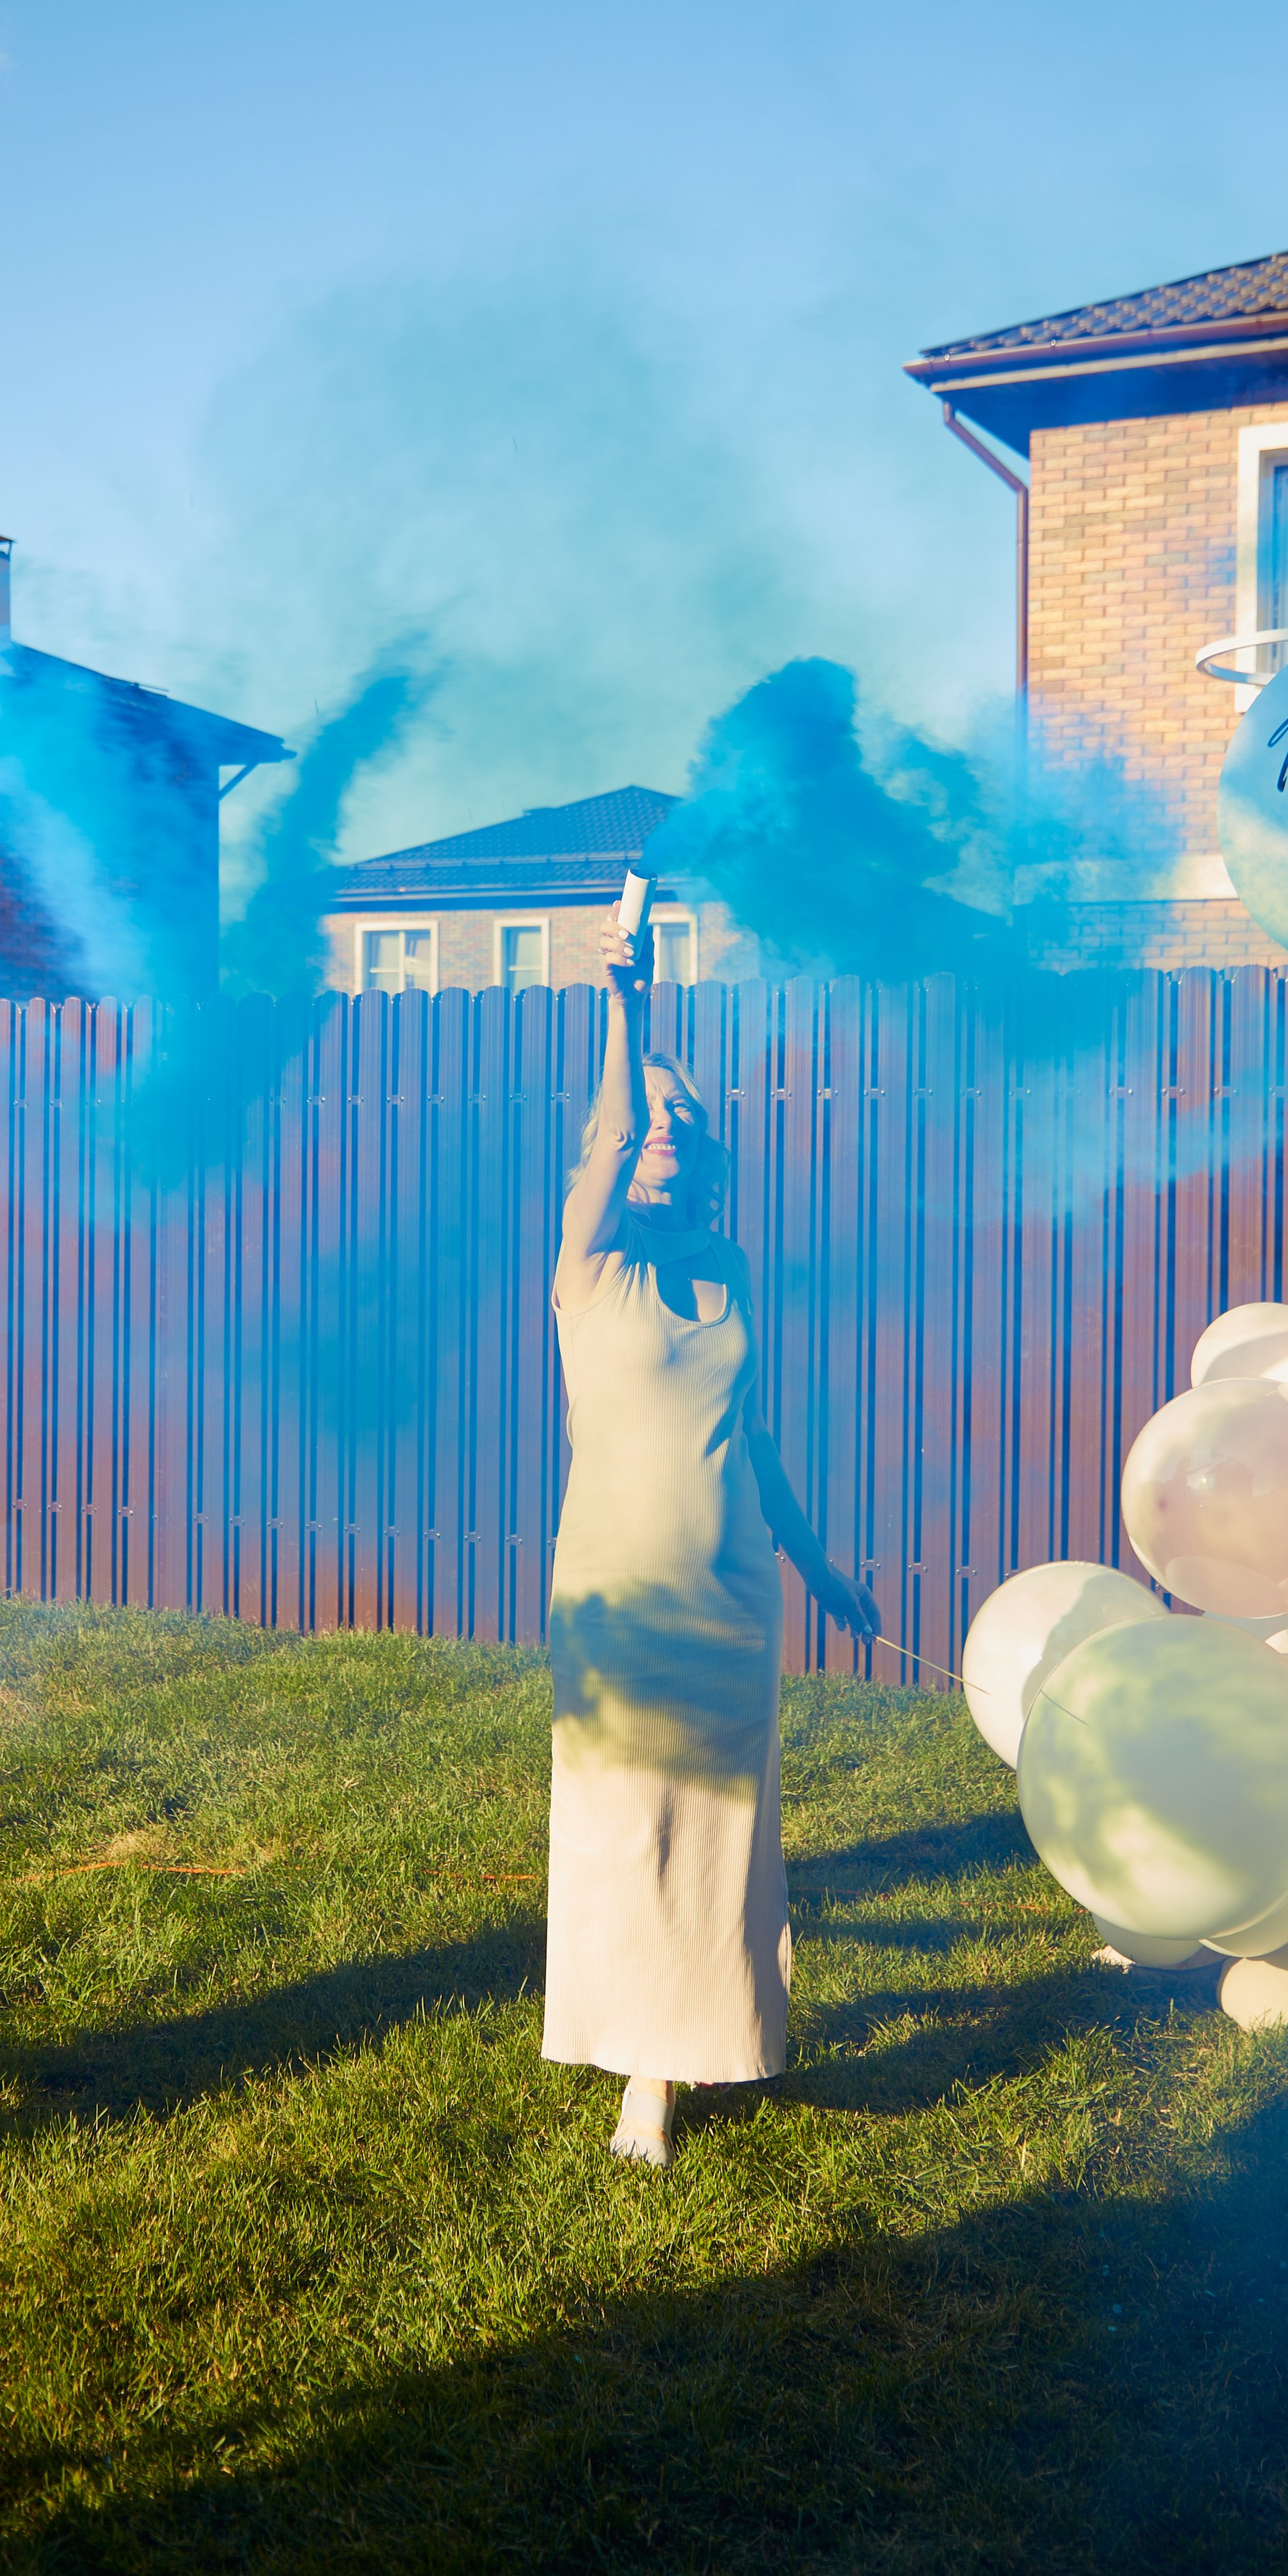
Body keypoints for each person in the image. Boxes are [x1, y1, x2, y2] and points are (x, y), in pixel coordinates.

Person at [542, 900, 880, 2167]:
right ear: (614, 1155)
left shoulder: (733, 1268)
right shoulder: (588, 1266)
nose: (667, 1130)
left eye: (689, 1118)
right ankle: (641, 2072)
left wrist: (816, 1558)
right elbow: (616, 1115)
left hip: (735, 1596)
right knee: (628, 1828)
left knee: (723, 1840)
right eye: (651, 1121)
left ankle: (697, 2046)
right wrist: (631, 1004)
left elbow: (757, 1435)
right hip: (621, 1598)